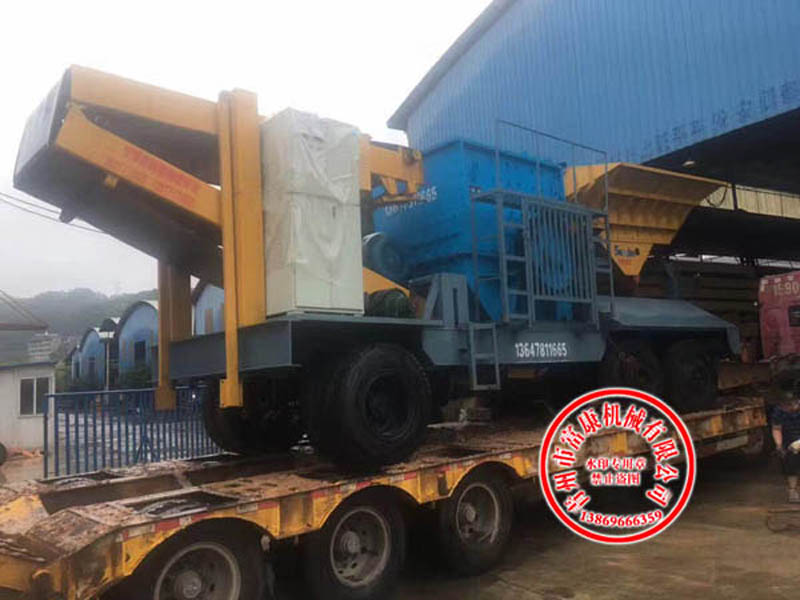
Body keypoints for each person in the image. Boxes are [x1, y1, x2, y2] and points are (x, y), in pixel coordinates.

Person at [771, 398, 800, 503]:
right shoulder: (779, 411)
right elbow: (776, 428)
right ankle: (792, 491)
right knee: (791, 464)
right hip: (789, 439)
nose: (785, 408)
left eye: (788, 406)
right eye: (784, 406)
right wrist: (779, 445)